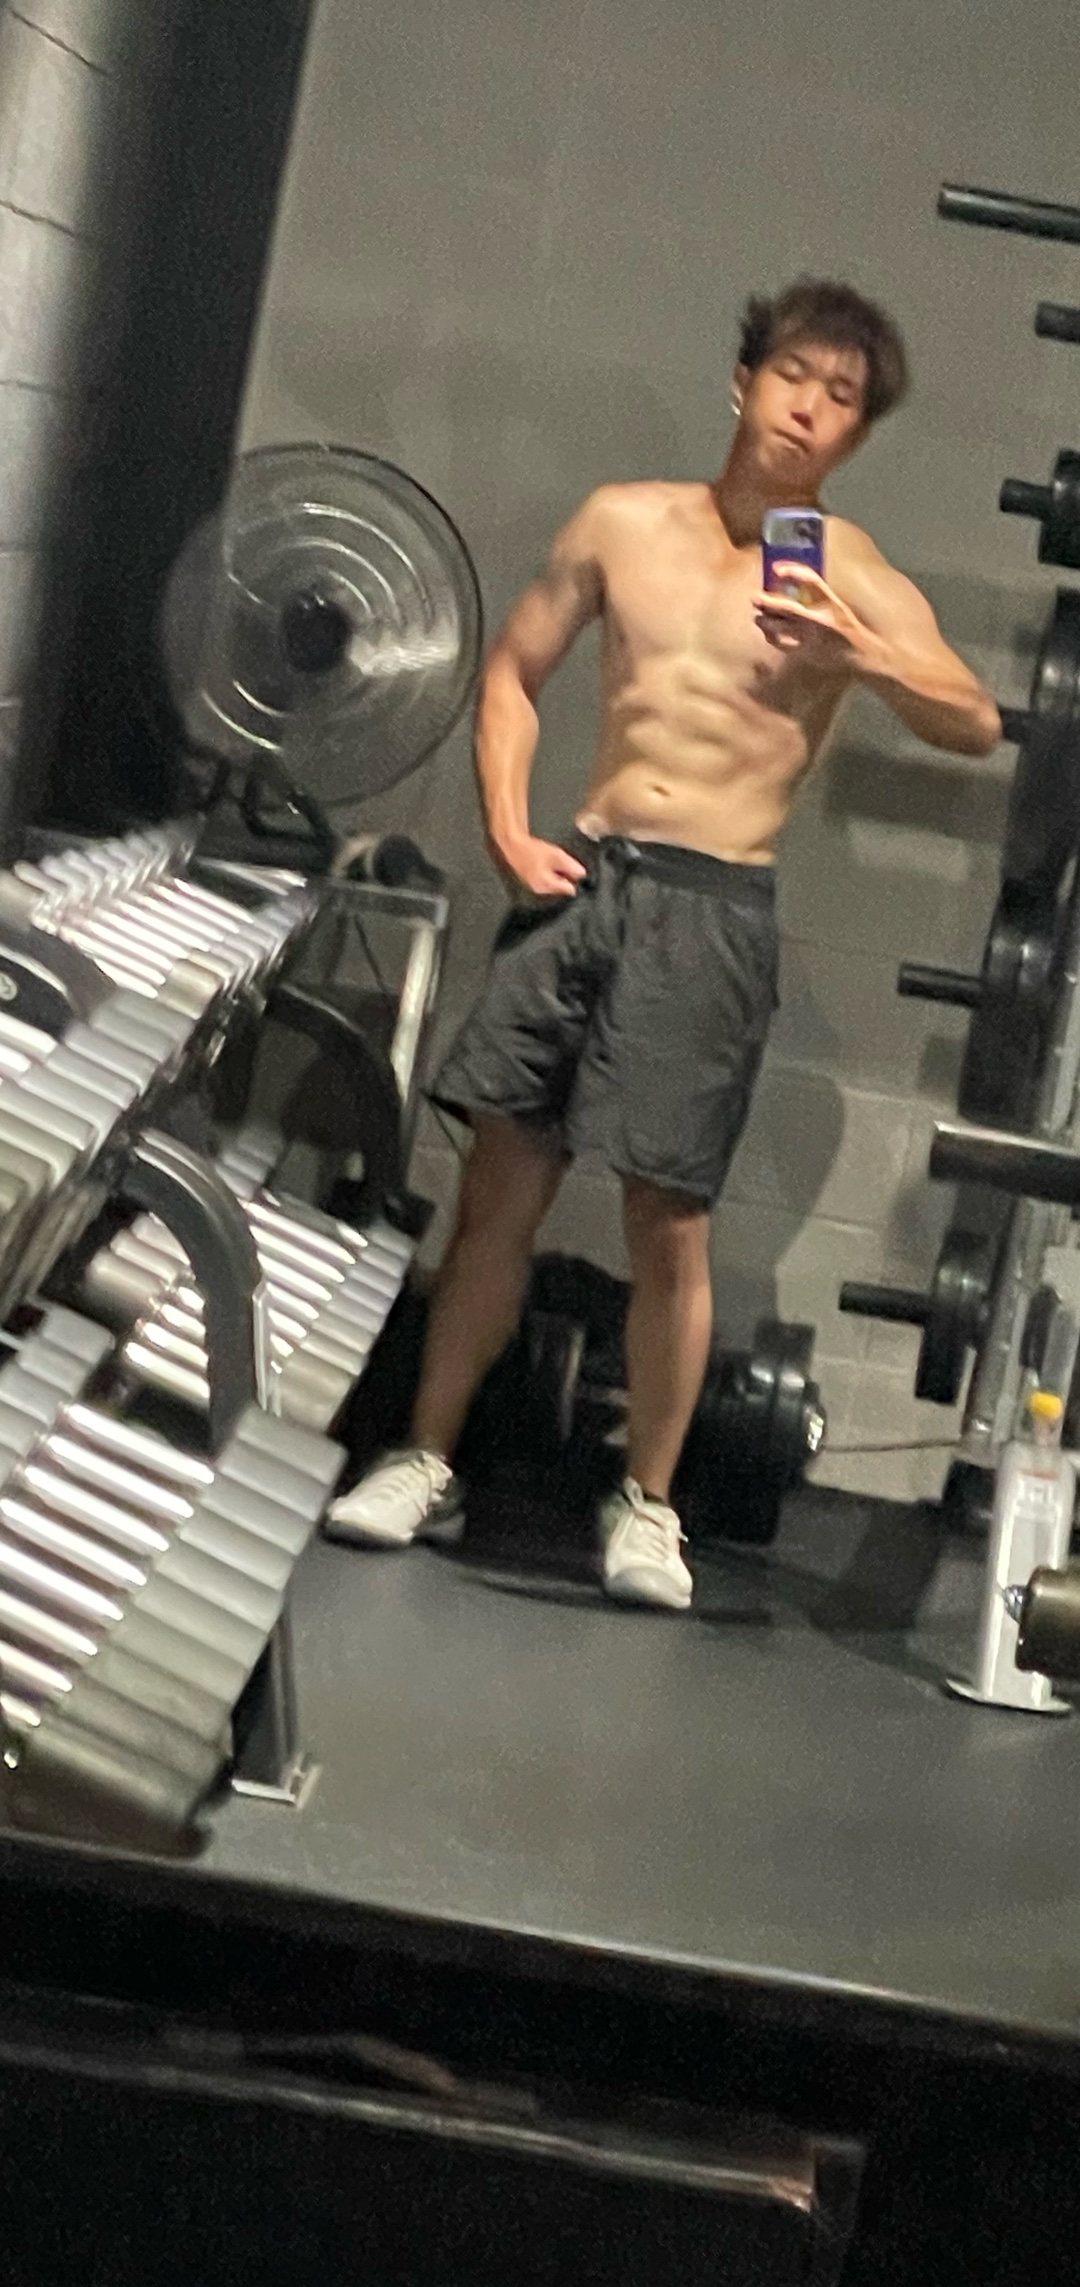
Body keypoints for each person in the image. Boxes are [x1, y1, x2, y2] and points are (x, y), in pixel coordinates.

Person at [327, 278, 1001, 1607]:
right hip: (586, 876)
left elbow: (972, 719)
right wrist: (508, 827)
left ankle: (647, 1506)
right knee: (497, 1194)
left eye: (842, 398)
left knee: (669, 1223)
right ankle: (424, 1455)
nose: (808, 408)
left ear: (857, 434)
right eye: (793, 375)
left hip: (715, 901)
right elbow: (513, 671)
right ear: (744, 382)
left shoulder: (847, 569)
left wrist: (859, 653)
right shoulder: (622, 521)